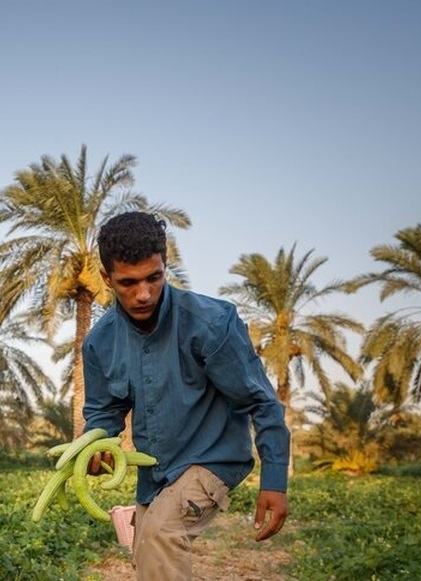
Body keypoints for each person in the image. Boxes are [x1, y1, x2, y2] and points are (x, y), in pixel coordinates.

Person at [82, 211, 290, 580]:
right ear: (106, 278)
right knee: (144, 548)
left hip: (213, 460)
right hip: (157, 474)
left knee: (160, 535)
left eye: (154, 277)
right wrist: (95, 445)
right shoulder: (100, 342)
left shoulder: (211, 324)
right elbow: (103, 412)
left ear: (165, 266)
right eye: (128, 283)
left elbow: (261, 402)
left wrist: (274, 480)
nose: (143, 293)